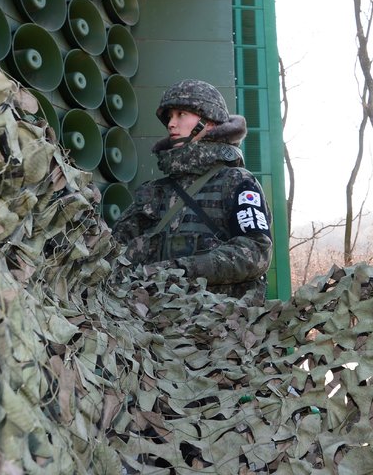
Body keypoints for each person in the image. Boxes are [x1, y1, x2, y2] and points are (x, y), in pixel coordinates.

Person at [112, 79, 272, 305]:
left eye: (181, 114)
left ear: (209, 122)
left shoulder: (236, 182)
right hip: (149, 326)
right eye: (169, 117)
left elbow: (256, 252)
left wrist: (179, 270)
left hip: (219, 328)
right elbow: (112, 251)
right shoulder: (154, 192)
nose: (171, 124)